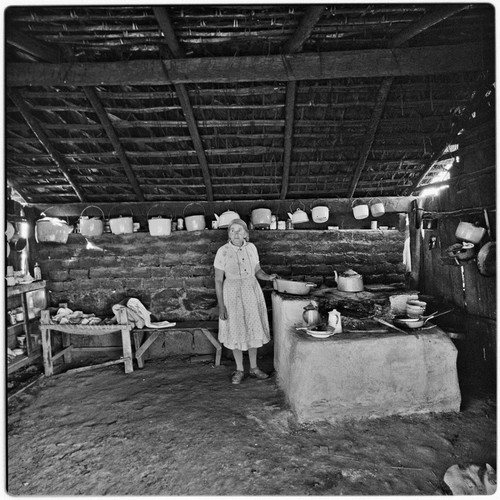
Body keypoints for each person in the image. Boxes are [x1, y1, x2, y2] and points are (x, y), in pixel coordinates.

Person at [214, 219, 278, 384]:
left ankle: (254, 368)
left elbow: (257, 271)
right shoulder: (223, 251)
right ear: (228, 234)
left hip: (251, 290)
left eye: (239, 230)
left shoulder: (252, 248)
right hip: (232, 293)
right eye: (232, 230)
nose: (236, 234)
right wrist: (221, 306)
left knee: (252, 327)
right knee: (236, 328)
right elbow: (218, 280)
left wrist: (268, 277)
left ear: (245, 233)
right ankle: (240, 369)